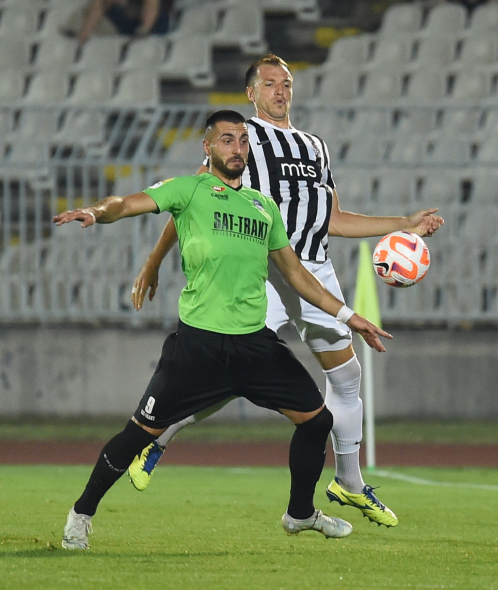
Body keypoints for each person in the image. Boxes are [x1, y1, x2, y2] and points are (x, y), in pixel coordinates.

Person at [127, 54, 444, 529]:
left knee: (347, 375)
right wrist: (153, 261)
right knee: (226, 375)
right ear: (251, 93)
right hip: (268, 271)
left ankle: (349, 482)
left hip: (316, 270)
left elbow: (335, 220)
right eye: (270, 83)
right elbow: (191, 200)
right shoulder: (244, 139)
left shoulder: (315, 147)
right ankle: (158, 439)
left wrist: (404, 223)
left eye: (287, 83)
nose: (280, 91)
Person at [53, 110, 393, 550]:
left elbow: (297, 275)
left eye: (243, 141)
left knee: (317, 421)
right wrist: (95, 212)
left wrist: (349, 316)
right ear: (208, 147)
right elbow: (126, 204)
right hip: (199, 346)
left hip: (255, 346)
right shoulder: (189, 190)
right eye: (227, 140)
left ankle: (300, 514)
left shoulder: (262, 207)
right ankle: (81, 513)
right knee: (140, 434)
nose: (237, 149)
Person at [63, 0, 173, 44]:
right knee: (84, 13)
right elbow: (99, 6)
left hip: (154, 25)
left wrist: (143, 31)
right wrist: (84, 33)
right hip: (126, 20)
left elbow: (151, 8)